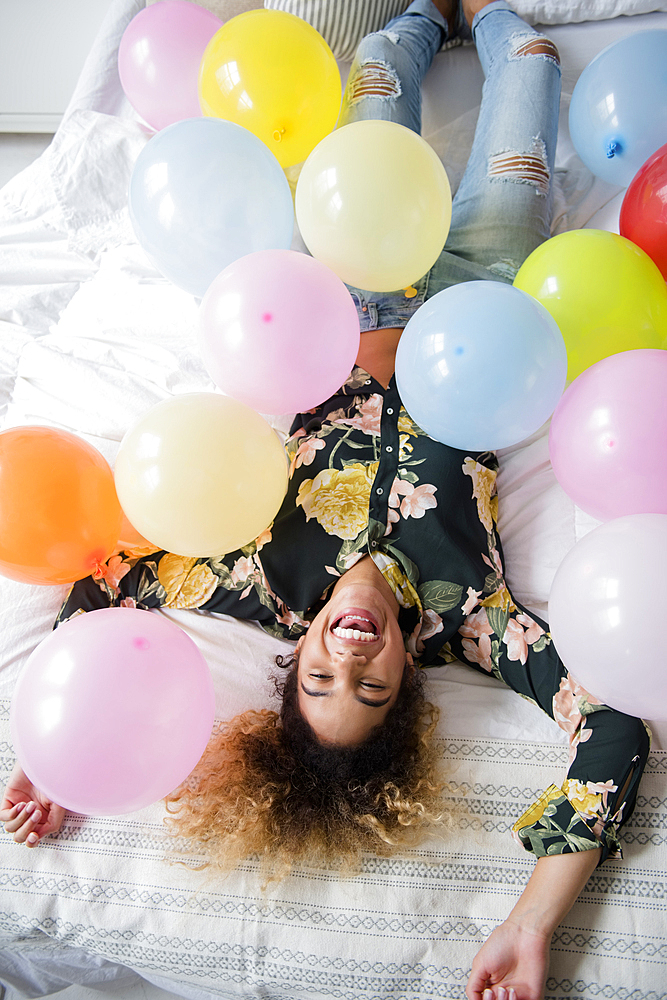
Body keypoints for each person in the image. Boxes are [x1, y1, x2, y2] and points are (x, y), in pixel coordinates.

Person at [1, 2, 650, 997]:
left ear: (292, 662)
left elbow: (104, 586)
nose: (351, 657)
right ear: (407, 681)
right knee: (523, 57)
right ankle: (484, 12)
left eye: (320, 682)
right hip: (482, 296)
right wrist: (531, 920)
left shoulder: (260, 578)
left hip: (349, 279)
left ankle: (423, 13)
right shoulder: (470, 618)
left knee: (385, 60)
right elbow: (609, 737)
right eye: (375, 687)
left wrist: (68, 756)